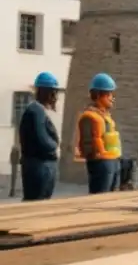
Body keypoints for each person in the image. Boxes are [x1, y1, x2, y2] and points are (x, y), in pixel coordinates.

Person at [73, 73, 122, 194]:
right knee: (100, 198)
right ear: (99, 95)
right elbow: (88, 147)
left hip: (112, 162)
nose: (112, 98)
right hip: (101, 164)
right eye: (109, 94)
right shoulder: (89, 117)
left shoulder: (106, 116)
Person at [18, 72, 63, 201]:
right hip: (39, 165)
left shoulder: (41, 110)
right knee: (37, 201)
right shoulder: (35, 111)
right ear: (44, 92)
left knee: (43, 200)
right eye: (52, 92)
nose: (55, 97)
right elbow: (42, 139)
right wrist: (54, 147)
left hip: (44, 164)